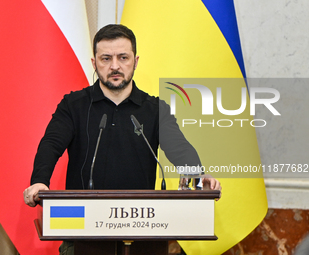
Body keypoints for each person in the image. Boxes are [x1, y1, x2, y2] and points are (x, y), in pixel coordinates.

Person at [23, 24, 221, 254]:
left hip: (144, 235)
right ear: (94, 63)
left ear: (135, 62)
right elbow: (51, 145)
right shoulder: (73, 105)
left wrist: (197, 177)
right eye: (106, 58)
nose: (114, 66)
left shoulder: (155, 109)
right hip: (84, 236)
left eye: (123, 57)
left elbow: (180, 149)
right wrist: (39, 181)